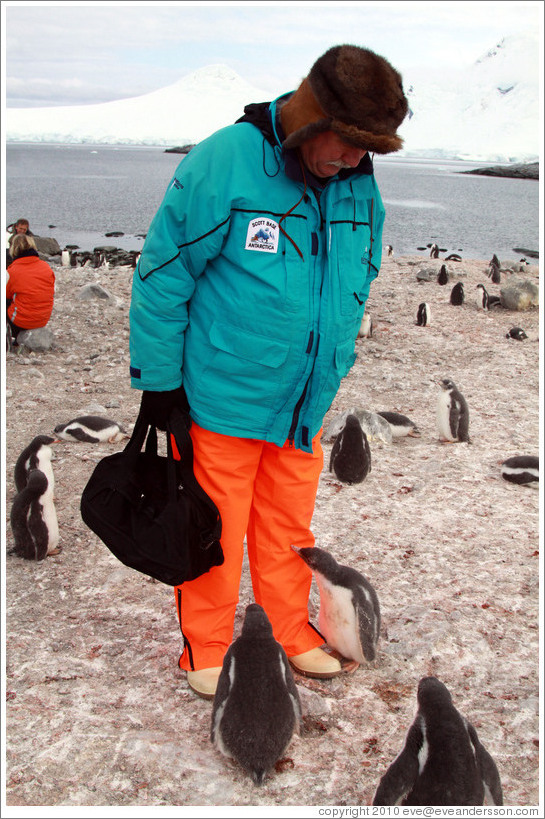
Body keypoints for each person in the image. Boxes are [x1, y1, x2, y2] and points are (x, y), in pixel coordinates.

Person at [129, 44, 408, 699]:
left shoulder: (355, 177)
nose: (354, 161)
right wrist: (159, 384)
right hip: (223, 392)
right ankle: (210, 643)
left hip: (302, 399)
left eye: (367, 151)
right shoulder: (227, 161)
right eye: (345, 145)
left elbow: (360, 264)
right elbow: (164, 274)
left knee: (288, 523)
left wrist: (333, 347)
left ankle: (288, 629)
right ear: (311, 120)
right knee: (214, 523)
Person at [6, 233, 56, 344]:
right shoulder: (46, 267)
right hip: (42, 320)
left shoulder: (12, 271)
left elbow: (7, 295)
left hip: (21, 322)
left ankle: (9, 335)